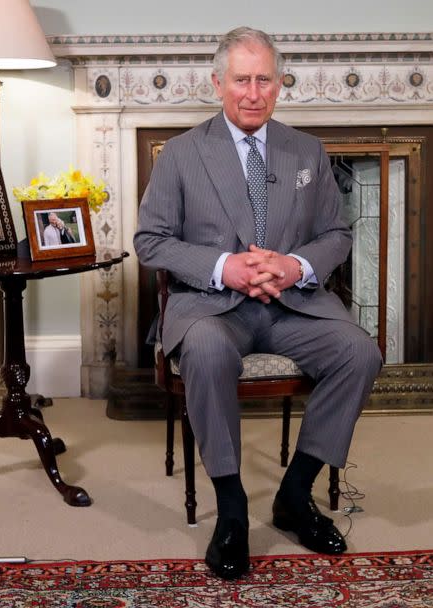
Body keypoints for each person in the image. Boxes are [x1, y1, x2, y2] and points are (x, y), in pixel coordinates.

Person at [134, 27, 383, 581]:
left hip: (293, 304)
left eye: (264, 79)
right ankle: (233, 510)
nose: (253, 92)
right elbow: (150, 240)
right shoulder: (180, 154)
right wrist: (228, 267)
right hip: (210, 307)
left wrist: (295, 265)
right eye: (241, 79)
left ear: (279, 85)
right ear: (218, 82)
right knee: (204, 351)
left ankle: (295, 493)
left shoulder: (307, 151)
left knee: (359, 353)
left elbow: (337, 234)